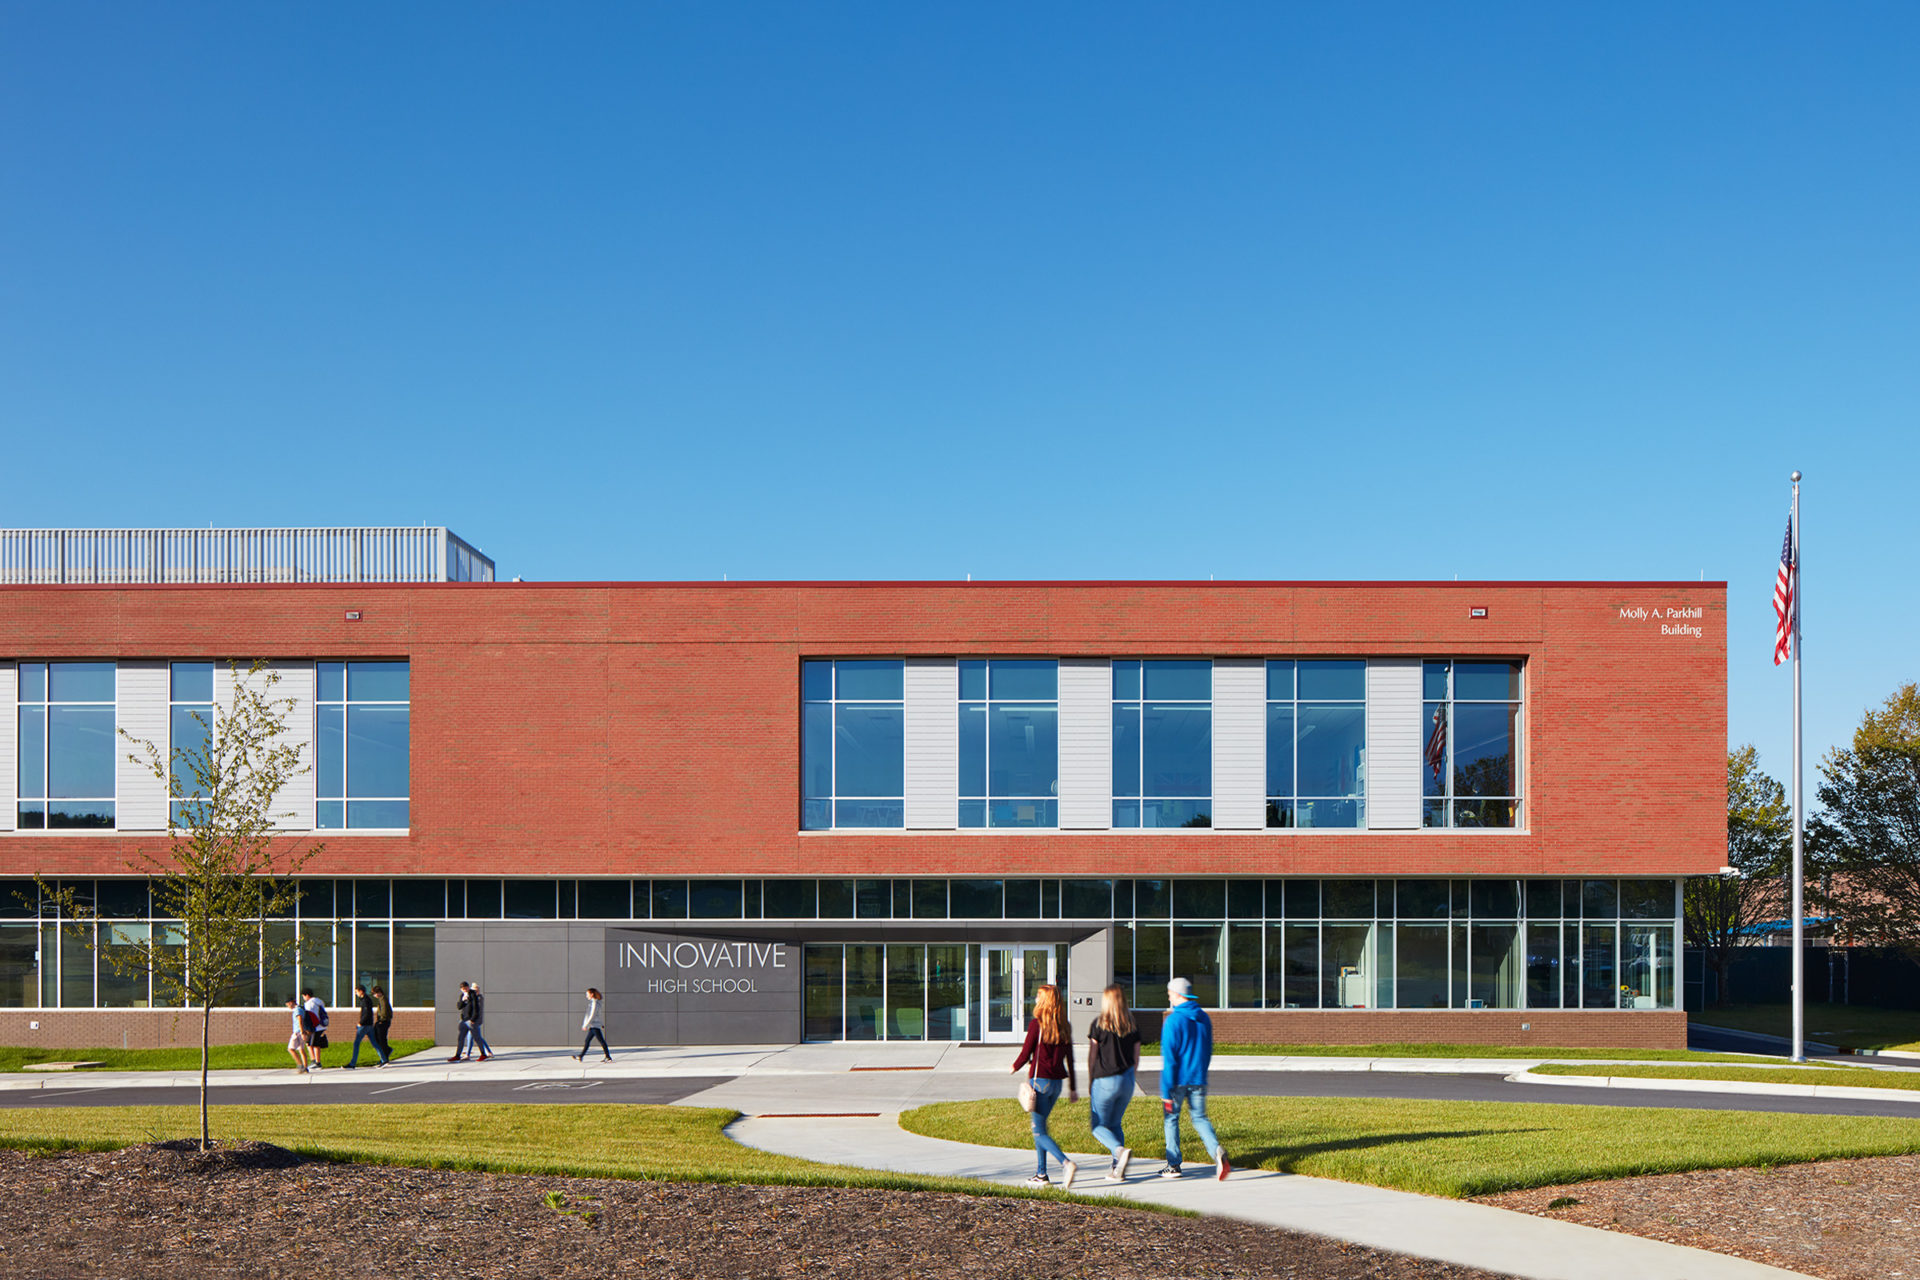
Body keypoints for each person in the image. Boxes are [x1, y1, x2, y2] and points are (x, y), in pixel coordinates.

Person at [1159, 976, 1229, 1180]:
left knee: (1171, 1119)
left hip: (1177, 1081)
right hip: (1198, 1078)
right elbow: (1207, 1050)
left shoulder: (1173, 1020)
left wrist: (1166, 1091)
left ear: (1178, 994)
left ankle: (1173, 1165)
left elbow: (1170, 1059)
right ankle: (1216, 1151)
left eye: (1170, 993)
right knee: (1199, 1118)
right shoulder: (1203, 1018)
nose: (1169, 996)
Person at [1010, 982, 1079, 1188]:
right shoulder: (1064, 1026)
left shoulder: (1036, 1025)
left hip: (1039, 1083)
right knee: (1040, 1128)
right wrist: (1073, 1088)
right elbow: (1071, 1060)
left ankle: (1066, 1163)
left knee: (1039, 1132)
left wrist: (1014, 1066)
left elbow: (1025, 1053)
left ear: (1046, 1001)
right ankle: (1041, 1174)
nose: (1036, 1000)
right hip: (1056, 1085)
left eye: (1039, 996)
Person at [1087, 984, 1141, 1181]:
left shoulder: (1099, 1025)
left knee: (1098, 1126)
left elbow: (1093, 1057)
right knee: (1115, 1123)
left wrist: (1091, 1079)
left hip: (1105, 1080)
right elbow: (1136, 1058)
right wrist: (1129, 1076)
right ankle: (1118, 1169)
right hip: (1127, 1080)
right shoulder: (1132, 1025)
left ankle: (1119, 1151)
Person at [344, 983, 388, 1068]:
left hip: (365, 1025)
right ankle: (384, 1059)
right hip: (369, 1025)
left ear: (361, 991)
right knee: (374, 1043)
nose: (356, 993)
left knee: (356, 1043)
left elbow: (367, 1013)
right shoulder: (365, 999)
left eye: (356, 992)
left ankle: (352, 1064)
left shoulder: (365, 1000)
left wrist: (361, 1022)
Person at [573, 987, 611, 1061]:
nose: (586, 996)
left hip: (594, 1025)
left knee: (601, 1041)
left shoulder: (595, 1003)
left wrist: (586, 1025)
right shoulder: (594, 1003)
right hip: (593, 1025)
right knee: (587, 1041)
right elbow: (596, 1015)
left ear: (592, 994)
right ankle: (581, 1056)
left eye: (587, 994)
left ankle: (608, 1057)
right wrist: (601, 1023)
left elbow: (592, 1015)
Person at [301, 987, 329, 1070]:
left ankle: (316, 1062)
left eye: (303, 996)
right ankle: (315, 1061)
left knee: (312, 1044)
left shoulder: (309, 1003)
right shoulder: (319, 1001)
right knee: (314, 1044)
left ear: (306, 995)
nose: (303, 998)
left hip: (314, 1026)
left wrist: (306, 1027)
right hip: (321, 1025)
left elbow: (309, 1016)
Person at [284, 996, 312, 1073]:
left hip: (298, 1032)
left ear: (290, 1003)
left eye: (287, 1005)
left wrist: (302, 1032)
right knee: (301, 1050)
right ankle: (305, 1067)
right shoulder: (301, 1008)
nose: (288, 1007)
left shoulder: (297, 1010)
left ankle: (300, 1065)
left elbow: (300, 1021)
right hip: (301, 1032)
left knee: (290, 1049)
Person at [467, 981, 493, 1060]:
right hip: (472, 1020)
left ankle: (468, 1054)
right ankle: (488, 1051)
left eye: (476, 990)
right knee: (472, 1036)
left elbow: (476, 1010)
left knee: (473, 1036)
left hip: (476, 1021)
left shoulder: (479, 998)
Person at [370, 983, 394, 1064]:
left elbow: (384, 1011)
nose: (374, 995)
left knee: (381, 1040)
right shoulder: (381, 999)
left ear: (379, 992)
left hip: (383, 1022)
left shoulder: (383, 999)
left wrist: (381, 1020)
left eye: (374, 993)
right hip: (381, 1021)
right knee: (378, 1038)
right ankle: (386, 1051)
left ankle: (385, 1055)